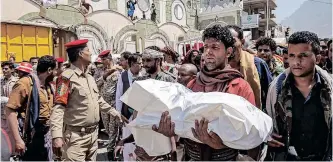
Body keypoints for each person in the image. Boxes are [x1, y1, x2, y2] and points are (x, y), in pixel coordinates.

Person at [152, 25, 258, 161]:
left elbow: (251, 134)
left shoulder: (240, 87)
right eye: (206, 47)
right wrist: (171, 131)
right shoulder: (192, 85)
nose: (208, 52)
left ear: (228, 51)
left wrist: (222, 143)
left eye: (215, 47)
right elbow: (183, 123)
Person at [50, 39, 122, 161]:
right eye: (88, 50)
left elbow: (98, 99)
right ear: (80, 54)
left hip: (93, 136)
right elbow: (58, 108)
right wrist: (56, 136)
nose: (90, 53)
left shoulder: (89, 77)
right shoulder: (66, 78)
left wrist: (114, 112)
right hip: (76, 138)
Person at [266, 31, 332, 161]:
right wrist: (267, 136)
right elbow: (269, 123)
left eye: (303, 56)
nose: (296, 62)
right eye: (292, 56)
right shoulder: (277, 89)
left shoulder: (329, 88)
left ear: (317, 59)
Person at [115, 46, 176, 161]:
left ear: (158, 61)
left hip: (162, 135)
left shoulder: (169, 80)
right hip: (143, 136)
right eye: (143, 61)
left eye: (148, 60)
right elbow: (134, 109)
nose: (144, 64)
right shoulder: (139, 81)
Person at [5, 56, 57, 161]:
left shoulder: (49, 86)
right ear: (49, 70)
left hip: (46, 135)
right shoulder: (25, 83)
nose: (57, 72)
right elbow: (10, 111)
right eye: (55, 70)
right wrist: (18, 140)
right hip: (31, 136)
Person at [115, 53, 143, 161]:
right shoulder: (123, 76)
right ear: (131, 64)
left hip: (140, 115)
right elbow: (119, 96)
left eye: (141, 63)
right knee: (127, 141)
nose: (141, 66)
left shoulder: (143, 75)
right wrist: (119, 113)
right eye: (138, 63)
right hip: (127, 115)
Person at [226, 25, 262, 109]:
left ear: (242, 42)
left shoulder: (257, 64)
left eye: (232, 40)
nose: (228, 45)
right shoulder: (219, 66)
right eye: (225, 41)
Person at [97, 50, 122, 160]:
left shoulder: (119, 71)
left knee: (113, 129)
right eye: (101, 60)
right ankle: (114, 145)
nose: (102, 62)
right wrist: (105, 75)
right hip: (103, 105)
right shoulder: (100, 71)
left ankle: (111, 152)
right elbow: (96, 84)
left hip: (113, 105)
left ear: (109, 59)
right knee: (107, 128)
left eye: (104, 59)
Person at [1, 61, 18, 148]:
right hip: (2, 111)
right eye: (3, 69)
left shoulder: (16, 81)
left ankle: (16, 152)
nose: (4, 70)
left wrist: (8, 100)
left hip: (13, 111)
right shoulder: (1, 81)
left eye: (6, 69)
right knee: (4, 133)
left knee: (13, 131)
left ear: (12, 70)